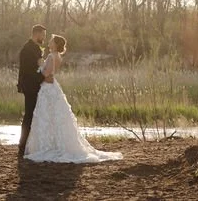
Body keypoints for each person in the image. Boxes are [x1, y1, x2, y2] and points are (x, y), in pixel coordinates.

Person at [23, 34, 123, 163]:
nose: (49, 43)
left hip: (47, 88)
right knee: (55, 116)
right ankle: (56, 143)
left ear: (55, 44)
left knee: (47, 116)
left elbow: (46, 73)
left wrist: (38, 69)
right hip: (54, 87)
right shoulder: (58, 57)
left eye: (51, 41)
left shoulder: (50, 56)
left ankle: (48, 145)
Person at [16, 24, 46, 158]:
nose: (44, 37)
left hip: (34, 85)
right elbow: (27, 70)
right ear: (37, 34)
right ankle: (23, 144)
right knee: (29, 114)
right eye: (43, 35)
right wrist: (43, 77)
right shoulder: (28, 49)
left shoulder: (33, 48)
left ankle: (28, 143)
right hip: (31, 86)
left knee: (33, 114)